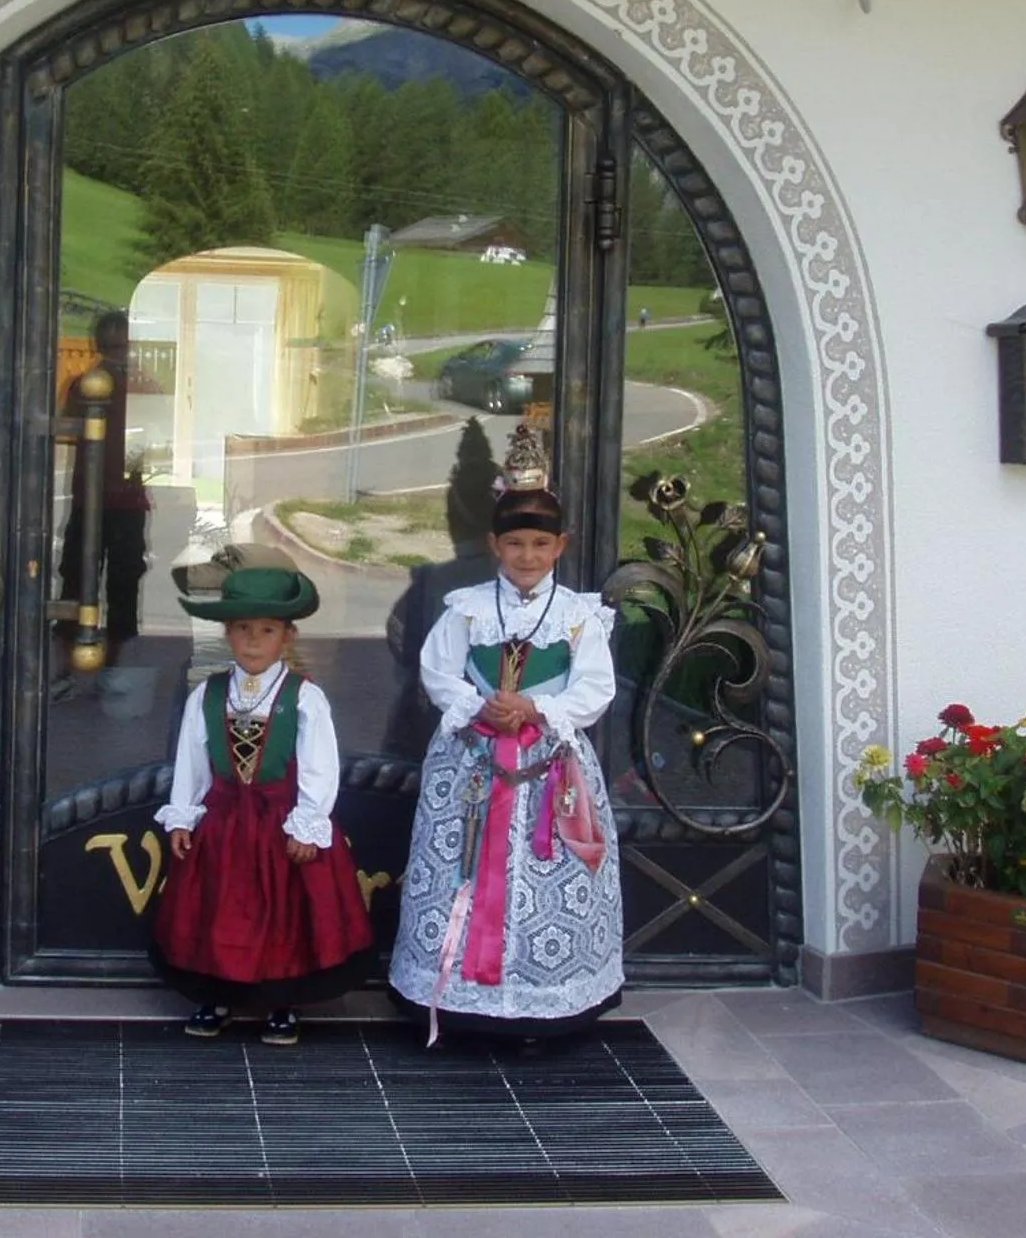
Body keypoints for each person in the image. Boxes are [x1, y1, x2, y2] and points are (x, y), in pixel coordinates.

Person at [388, 429, 623, 1042]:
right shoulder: (465, 608)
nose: (527, 555)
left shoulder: (578, 615)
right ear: (494, 544)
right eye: (514, 543)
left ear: (560, 545)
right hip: (473, 762)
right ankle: (462, 998)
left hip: (549, 768)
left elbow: (596, 688)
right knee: (460, 868)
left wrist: (538, 710)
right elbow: (436, 670)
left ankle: (543, 999)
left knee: (545, 875)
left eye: (540, 543)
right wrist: (480, 706)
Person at [150, 566, 374, 1046]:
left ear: (287, 636)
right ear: (227, 634)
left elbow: (319, 766)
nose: (254, 641)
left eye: (267, 630)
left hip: (280, 823)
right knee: (218, 908)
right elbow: (191, 759)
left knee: (282, 911)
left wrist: (308, 824)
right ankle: (215, 995)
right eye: (243, 629)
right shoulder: (207, 695)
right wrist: (184, 813)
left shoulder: (305, 698)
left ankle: (282, 1002)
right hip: (225, 824)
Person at [54, 309, 151, 671]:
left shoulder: (86, 383)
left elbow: (66, 424)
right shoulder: (140, 385)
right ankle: (110, 665)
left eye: (119, 348)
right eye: (117, 348)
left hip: (101, 499)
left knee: (82, 580)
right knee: (107, 582)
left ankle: (80, 664)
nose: (118, 356)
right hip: (111, 500)